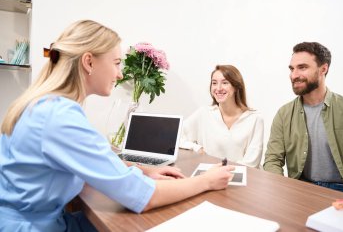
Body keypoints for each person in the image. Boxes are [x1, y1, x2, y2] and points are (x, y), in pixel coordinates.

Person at [0, 20, 235, 232]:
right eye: (116, 63)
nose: (120, 74)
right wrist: (206, 181)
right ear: (89, 62)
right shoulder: (60, 116)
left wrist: (144, 170)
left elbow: (93, 159)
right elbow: (143, 196)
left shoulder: (44, 104)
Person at [263, 42, 343, 195]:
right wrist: (280, 190)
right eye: (292, 69)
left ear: (323, 69)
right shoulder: (284, 114)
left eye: (302, 67)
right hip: (300, 188)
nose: (294, 75)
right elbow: (272, 160)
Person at [181, 65, 264, 168]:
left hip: (244, 177)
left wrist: (224, 172)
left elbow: (252, 162)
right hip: (211, 177)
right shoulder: (204, 113)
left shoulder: (254, 119)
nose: (218, 88)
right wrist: (196, 148)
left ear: (236, 87)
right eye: (214, 83)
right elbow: (177, 136)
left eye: (225, 83)